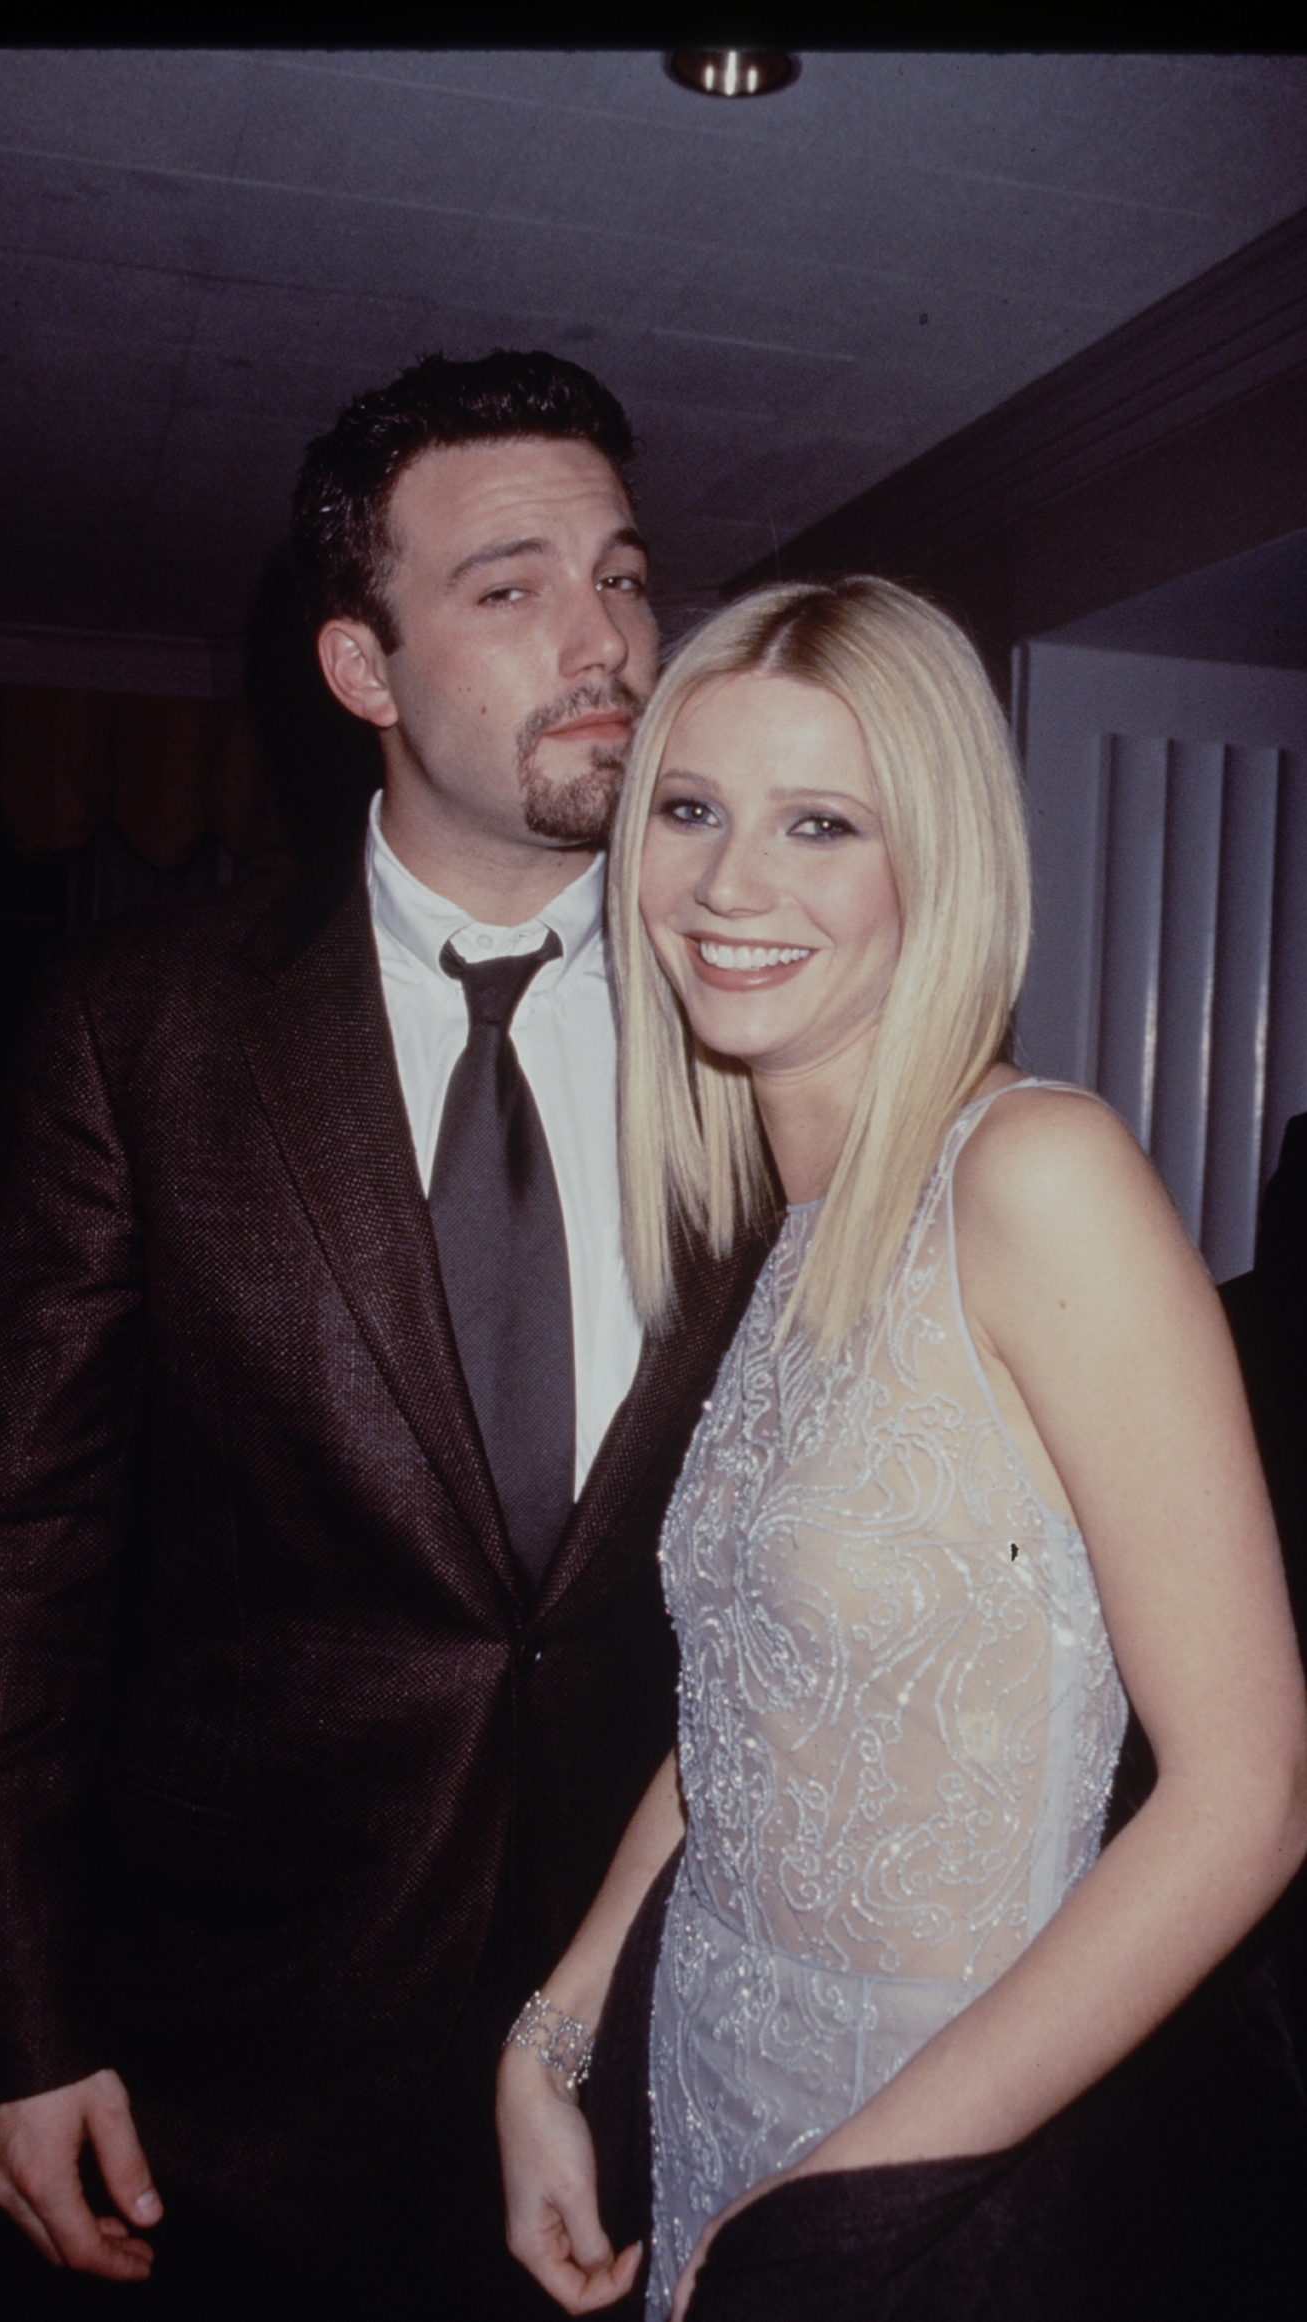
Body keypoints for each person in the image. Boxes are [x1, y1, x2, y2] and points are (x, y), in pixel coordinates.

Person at [0, 351, 771, 2320]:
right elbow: (6, 1556)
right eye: (511, 586)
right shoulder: (140, 1024)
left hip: (660, 2007)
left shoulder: (761, 1007)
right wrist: (11, 2019)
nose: (607, 638)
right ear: (361, 671)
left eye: (626, 574)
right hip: (243, 2032)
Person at [497, 577, 1307, 2320]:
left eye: (822, 823)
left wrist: (832, 2218)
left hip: (939, 2165)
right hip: (716, 2087)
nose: (731, 884)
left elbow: (1249, 1800)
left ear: (936, 867)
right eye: (693, 811)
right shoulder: (785, 1237)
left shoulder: (1039, 1178)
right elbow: (748, 1710)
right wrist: (554, 2037)